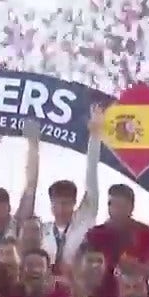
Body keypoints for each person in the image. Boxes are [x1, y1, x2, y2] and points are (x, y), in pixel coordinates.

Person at [39, 105, 104, 270]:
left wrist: (95, 136)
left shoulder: (85, 219)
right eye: (57, 204)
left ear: (75, 203)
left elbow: (92, 173)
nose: (61, 209)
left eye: (66, 203)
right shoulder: (43, 232)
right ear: (51, 204)